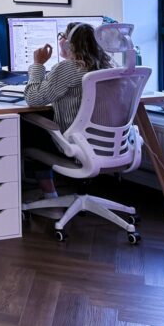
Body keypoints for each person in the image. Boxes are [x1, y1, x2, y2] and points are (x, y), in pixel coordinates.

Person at [23, 22, 111, 199]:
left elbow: (33, 98)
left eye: (62, 36)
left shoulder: (68, 68)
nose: (60, 41)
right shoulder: (107, 68)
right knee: (42, 119)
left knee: (26, 125)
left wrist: (38, 65)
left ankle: (49, 193)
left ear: (71, 43)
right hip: (106, 145)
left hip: (75, 147)